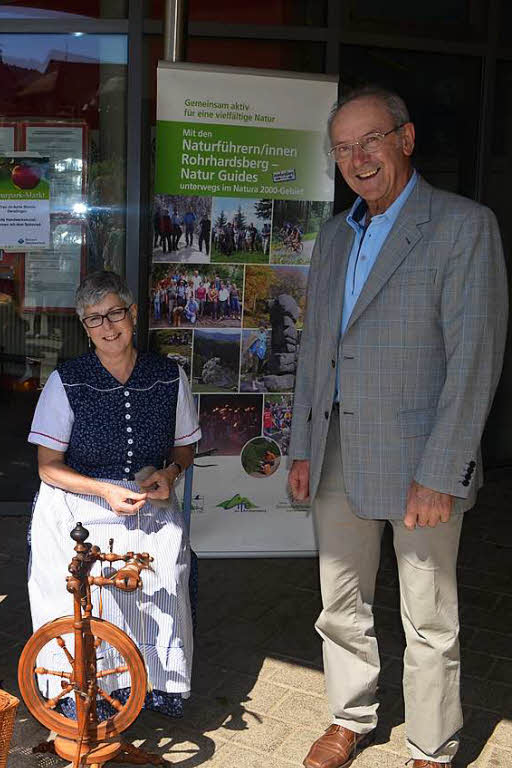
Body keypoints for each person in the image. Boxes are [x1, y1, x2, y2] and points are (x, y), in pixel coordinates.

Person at [289, 86, 507, 768]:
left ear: (405, 140)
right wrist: (301, 447)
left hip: (420, 464)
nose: (358, 159)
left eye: (371, 140)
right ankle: (350, 717)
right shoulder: (334, 235)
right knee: (340, 601)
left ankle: (431, 746)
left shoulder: (462, 227)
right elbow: (317, 347)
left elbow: (474, 361)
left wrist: (442, 471)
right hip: (334, 456)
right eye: (343, 148)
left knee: (429, 619)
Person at [27, 270, 201, 720]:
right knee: (76, 573)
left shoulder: (167, 376)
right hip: (80, 495)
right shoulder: (67, 380)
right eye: (94, 319)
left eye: (115, 314)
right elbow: (48, 467)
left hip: (146, 495)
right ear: (84, 327)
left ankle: (156, 682)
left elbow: (185, 446)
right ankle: (80, 685)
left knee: (163, 560)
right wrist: (104, 490)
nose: (108, 327)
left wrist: (171, 472)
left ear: (133, 314)